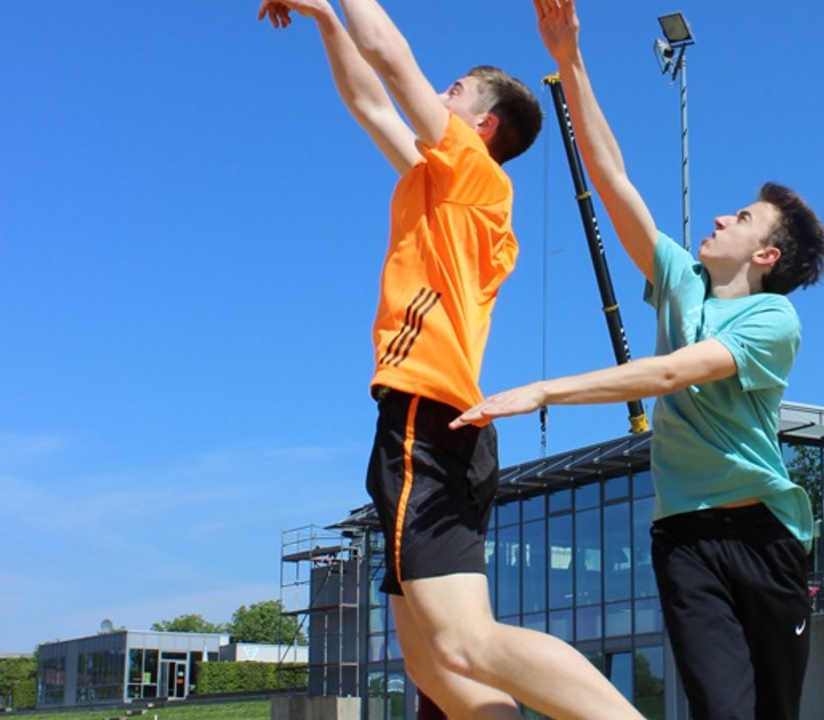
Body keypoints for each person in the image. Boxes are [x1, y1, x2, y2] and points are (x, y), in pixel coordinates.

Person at [257, 2, 646, 719]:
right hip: (441, 422)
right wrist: (322, 18)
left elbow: (391, 58)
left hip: (428, 416)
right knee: (433, 665)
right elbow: (370, 101)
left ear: (483, 126)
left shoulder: (473, 175)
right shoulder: (451, 188)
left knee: (464, 644)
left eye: (455, 91)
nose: (438, 94)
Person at [452, 2, 824, 718]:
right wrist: (569, 57)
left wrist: (542, 392)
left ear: (765, 255)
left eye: (742, 218)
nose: (721, 218)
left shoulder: (772, 318)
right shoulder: (679, 277)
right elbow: (610, 175)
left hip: (763, 535)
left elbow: (668, 373)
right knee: (721, 709)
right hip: (682, 538)